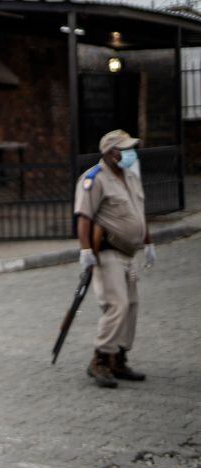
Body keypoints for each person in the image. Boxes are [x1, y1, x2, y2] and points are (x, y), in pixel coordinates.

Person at [74, 129, 156, 389]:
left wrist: (148, 242)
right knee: (116, 304)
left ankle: (118, 358)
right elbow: (85, 217)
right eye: (125, 149)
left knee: (131, 305)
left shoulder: (131, 177)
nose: (130, 153)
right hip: (107, 251)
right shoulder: (94, 178)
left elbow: (138, 213)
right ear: (110, 153)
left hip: (129, 253)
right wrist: (86, 250)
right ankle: (99, 359)